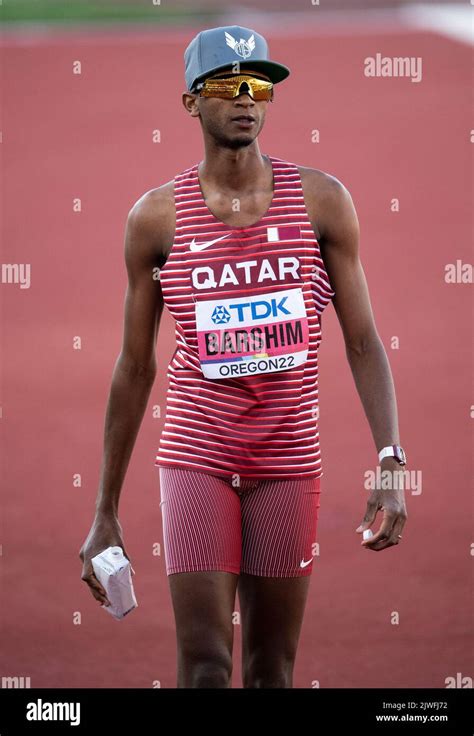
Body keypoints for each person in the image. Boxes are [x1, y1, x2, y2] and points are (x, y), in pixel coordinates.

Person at [79, 25, 408, 688]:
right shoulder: (157, 219)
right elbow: (135, 366)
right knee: (204, 667)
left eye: (259, 85)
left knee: (271, 672)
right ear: (191, 102)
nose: (246, 98)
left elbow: (365, 341)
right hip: (197, 456)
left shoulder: (321, 203)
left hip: (288, 461)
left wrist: (391, 459)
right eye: (227, 85)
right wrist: (104, 508)